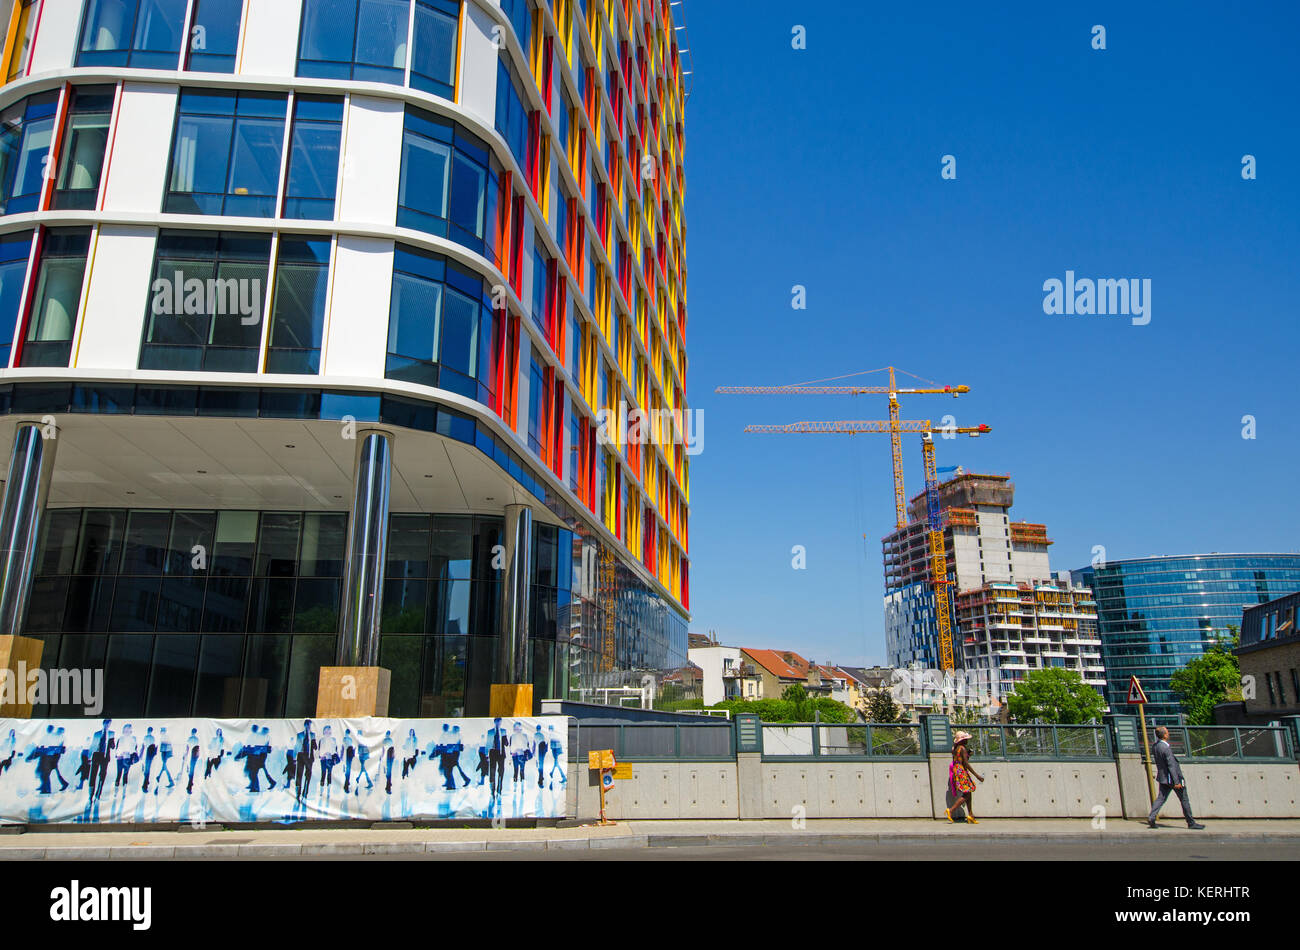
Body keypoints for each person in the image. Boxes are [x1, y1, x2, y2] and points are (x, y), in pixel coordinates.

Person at [1147, 725, 1206, 830]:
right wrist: (1176, 781)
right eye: (1167, 732)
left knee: (1161, 798)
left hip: (1163, 778)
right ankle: (1191, 822)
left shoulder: (1155, 746)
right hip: (1173, 778)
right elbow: (1171, 765)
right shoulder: (1166, 748)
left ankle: (1152, 817)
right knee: (1184, 799)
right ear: (1164, 735)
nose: (1168, 734)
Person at [946, 730, 983, 823]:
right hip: (962, 772)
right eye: (965, 739)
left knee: (968, 792)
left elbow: (959, 760)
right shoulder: (962, 748)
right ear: (962, 740)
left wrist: (967, 755)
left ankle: (971, 815)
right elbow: (966, 763)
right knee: (966, 794)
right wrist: (977, 775)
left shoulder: (955, 748)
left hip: (957, 772)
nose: (967, 741)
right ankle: (951, 810)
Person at [88, 719, 114, 801]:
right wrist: (89, 757)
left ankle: (98, 794)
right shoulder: (97, 733)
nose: (108, 725)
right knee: (93, 775)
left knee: (102, 776)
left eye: (109, 724)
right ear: (103, 723)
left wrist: (112, 743)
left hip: (105, 757)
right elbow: (93, 744)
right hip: (96, 755)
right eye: (107, 723)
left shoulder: (112, 733)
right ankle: (90, 795)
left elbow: (112, 746)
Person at [293, 720, 317, 800]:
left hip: (309, 757)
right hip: (301, 755)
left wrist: (313, 742)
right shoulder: (299, 735)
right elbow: (297, 746)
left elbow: (315, 747)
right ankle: (298, 793)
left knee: (308, 775)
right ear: (305, 725)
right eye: (307, 725)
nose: (308, 727)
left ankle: (305, 792)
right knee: (299, 774)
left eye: (310, 725)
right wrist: (294, 757)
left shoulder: (313, 735)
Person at [486, 718, 508, 796]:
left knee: (501, 771)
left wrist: (505, 738)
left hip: (501, 754)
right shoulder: (490, 731)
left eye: (500, 722)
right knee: (492, 771)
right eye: (497, 722)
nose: (499, 724)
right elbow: (488, 743)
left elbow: (506, 744)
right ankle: (492, 790)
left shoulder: (503, 731)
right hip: (492, 753)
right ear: (494, 722)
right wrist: (486, 754)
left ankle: (499, 789)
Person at [113, 724, 138, 791]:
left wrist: (128, 753)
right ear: (123, 730)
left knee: (125, 774)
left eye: (129, 729)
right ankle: (116, 789)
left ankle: (124, 789)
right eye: (126, 729)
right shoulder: (121, 738)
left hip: (127, 758)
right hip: (120, 757)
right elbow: (117, 748)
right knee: (119, 773)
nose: (127, 731)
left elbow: (134, 749)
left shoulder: (133, 738)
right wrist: (119, 753)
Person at [508, 721, 531, 787]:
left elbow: (526, 746)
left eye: (518, 727)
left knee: (521, 770)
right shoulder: (513, 736)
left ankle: (521, 785)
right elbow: (511, 748)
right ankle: (516, 785)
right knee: (517, 770)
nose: (517, 729)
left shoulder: (524, 735)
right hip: (516, 755)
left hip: (521, 754)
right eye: (516, 727)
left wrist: (519, 750)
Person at [154, 727, 175, 794]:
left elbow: (169, 745)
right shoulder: (163, 737)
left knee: (165, 767)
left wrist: (169, 754)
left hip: (165, 753)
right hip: (164, 752)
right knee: (164, 767)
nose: (161, 732)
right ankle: (159, 776)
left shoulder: (165, 737)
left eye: (162, 731)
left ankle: (170, 781)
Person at [140, 727, 158, 793]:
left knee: (146, 770)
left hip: (147, 755)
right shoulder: (152, 738)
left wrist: (140, 755)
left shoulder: (146, 737)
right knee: (147, 769)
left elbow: (143, 747)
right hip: (149, 755)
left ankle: (145, 785)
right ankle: (146, 782)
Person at [185, 728, 201, 794]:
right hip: (192, 755)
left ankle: (189, 786)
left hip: (193, 755)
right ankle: (190, 783)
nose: (192, 733)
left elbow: (188, 748)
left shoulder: (192, 739)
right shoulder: (194, 739)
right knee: (191, 770)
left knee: (192, 771)